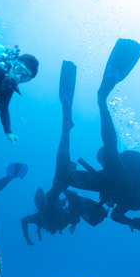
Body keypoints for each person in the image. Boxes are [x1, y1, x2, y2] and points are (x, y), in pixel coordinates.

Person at [56, 40, 140, 231]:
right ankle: (102, 99)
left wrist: (134, 222)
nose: (101, 163)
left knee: (63, 175)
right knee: (110, 149)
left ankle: (67, 124)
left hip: (111, 183)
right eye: (101, 162)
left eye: (100, 161)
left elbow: (117, 215)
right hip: (119, 177)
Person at [20, 61, 107, 245]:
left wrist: (28, 236)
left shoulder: (46, 218)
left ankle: (66, 126)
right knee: (63, 166)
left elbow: (25, 220)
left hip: (60, 184)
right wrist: (72, 222)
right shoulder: (61, 218)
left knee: (62, 165)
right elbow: (73, 210)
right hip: (61, 184)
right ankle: (66, 126)